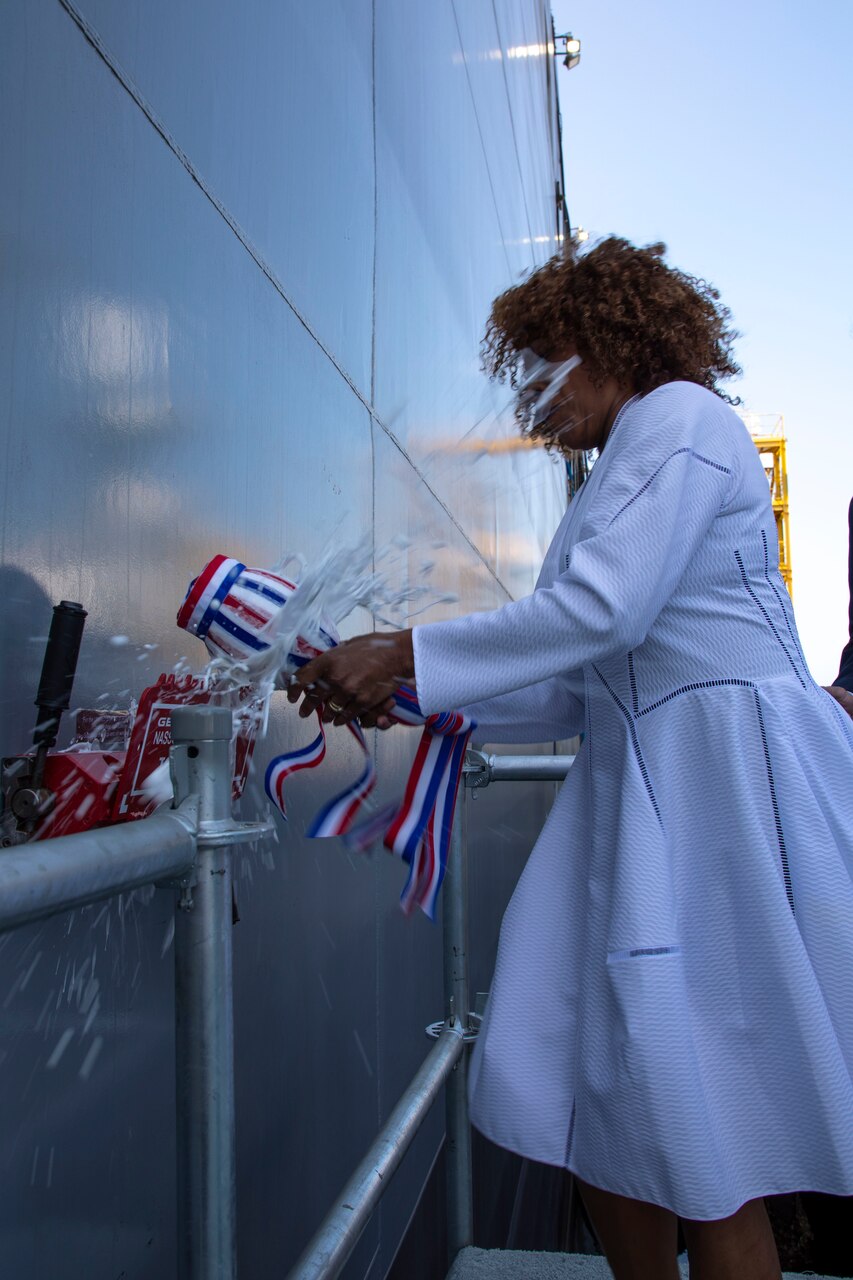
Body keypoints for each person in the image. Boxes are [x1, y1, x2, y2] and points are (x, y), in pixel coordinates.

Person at [288, 237, 853, 1280]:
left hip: (727, 796)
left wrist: (402, 649)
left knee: (707, 1117)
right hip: (655, 801)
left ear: (606, 341)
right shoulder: (609, 483)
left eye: (544, 367)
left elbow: (601, 611)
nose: (531, 404)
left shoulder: (680, 418)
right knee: (610, 1089)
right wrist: (403, 693)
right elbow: (575, 683)